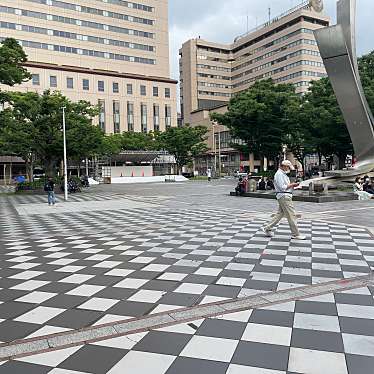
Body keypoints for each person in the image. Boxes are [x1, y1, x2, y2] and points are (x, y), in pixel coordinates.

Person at [261, 160, 306, 240]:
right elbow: (282, 187)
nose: (288, 168)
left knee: (280, 214)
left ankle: (267, 228)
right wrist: (293, 185)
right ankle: (295, 234)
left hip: (284, 195)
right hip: (284, 196)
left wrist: (294, 186)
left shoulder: (282, 174)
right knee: (291, 215)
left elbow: (285, 186)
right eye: (287, 167)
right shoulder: (279, 174)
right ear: (283, 166)